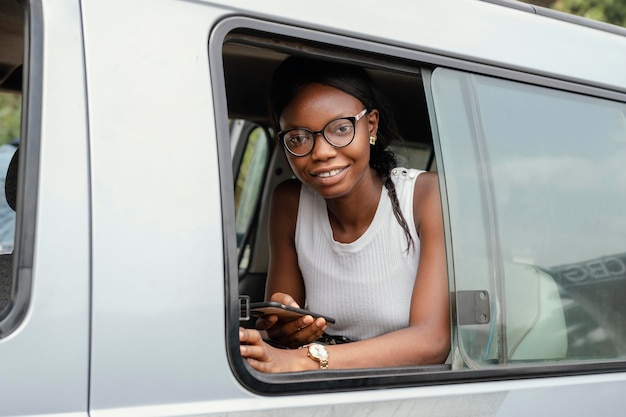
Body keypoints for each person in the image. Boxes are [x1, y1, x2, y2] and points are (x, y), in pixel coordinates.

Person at [239, 57, 450, 373]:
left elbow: (431, 342)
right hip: (324, 390)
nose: (321, 152)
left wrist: (304, 358)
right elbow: (283, 337)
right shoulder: (289, 202)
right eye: (298, 137)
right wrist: (285, 331)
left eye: (340, 129)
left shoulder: (425, 195)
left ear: (371, 126)